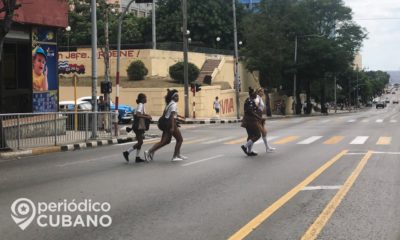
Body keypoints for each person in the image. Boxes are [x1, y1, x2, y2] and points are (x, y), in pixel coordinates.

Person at [144, 89, 187, 162]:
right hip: (170, 124)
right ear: (173, 97)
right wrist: (173, 127)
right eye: (176, 96)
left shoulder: (169, 104)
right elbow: (172, 116)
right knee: (180, 140)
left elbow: (168, 114)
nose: (178, 98)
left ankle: (150, 151)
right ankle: (175, 156)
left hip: (166, 124)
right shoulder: (173, 104)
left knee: (165, 141)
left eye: (178, 96)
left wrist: (180, 117)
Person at [123, 93, 152, 163]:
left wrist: (147, 115)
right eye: (145, 98)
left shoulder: (141, 105)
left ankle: (137, 157)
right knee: (140, 142)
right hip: (138, 126)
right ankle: (127, 152)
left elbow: (139, 114)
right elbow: (138, 115)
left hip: (139, 126)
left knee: (140, 142)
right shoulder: (141, 105)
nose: (146, 99)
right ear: (142, 99)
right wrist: (146, 117)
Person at [241, 87, 263, 156]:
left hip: (248, 120)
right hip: (250, 120)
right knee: (258, 135)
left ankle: (249, 152)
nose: (256, 94)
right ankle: (245, 146)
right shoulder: (250, 101)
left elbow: (256, 109)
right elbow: (250, 111)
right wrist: (258, 117)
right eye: (255, 93)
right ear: (252, 94)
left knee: (250, 136)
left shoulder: (251, 100)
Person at [255, 88, 276, 153]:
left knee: (264, 132)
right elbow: (256, 104)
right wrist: (257, 111)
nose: (263, 93)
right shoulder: (257, 98)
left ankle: (267, 148)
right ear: (258, 92)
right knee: (256, 134)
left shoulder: (260, 98)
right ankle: (247, 147)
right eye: (262, 91)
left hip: (260, 117)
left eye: (263, 91)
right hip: (257, 117)